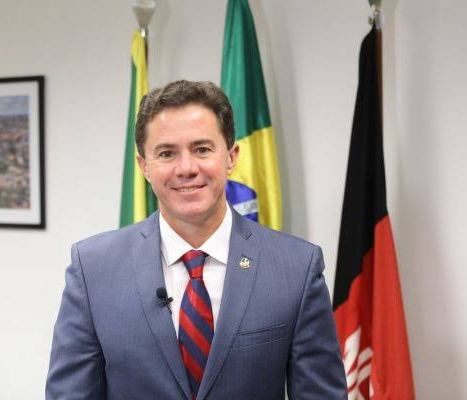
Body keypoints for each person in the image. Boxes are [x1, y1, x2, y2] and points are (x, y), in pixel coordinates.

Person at [46, 80, 347, 400]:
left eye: (202, 149)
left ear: (231, 157)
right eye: (166, 153)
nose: (186, 168)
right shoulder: (93, 269)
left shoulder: (297, 269)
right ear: (144, 166)